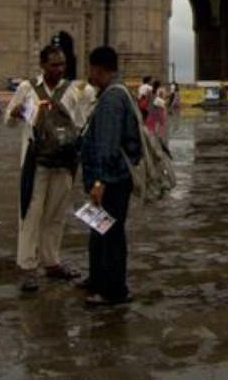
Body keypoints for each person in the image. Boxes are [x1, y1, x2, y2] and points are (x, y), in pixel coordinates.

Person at [6, 45, 93, 293]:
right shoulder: (27, 88)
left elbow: (81, 122)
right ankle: (27, 266)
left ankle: (51, 261)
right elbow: (9, 121)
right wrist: (17, 112)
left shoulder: (72, 91)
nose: (59, 69)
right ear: (42, 65)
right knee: (31, 213)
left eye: (62, 64)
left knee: (56, 213)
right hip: (36, 161)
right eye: (54, 64)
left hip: (64, 161)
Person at [80, 46, 142, 306]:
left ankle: (114, 291)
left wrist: (98, 182)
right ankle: (97, 279)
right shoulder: (120, 92)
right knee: (98, 230)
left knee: (111, 235)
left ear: (97, 69)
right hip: (111, 179)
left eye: (91, 69)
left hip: (110, 182)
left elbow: (107, 144)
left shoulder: (111, 99)